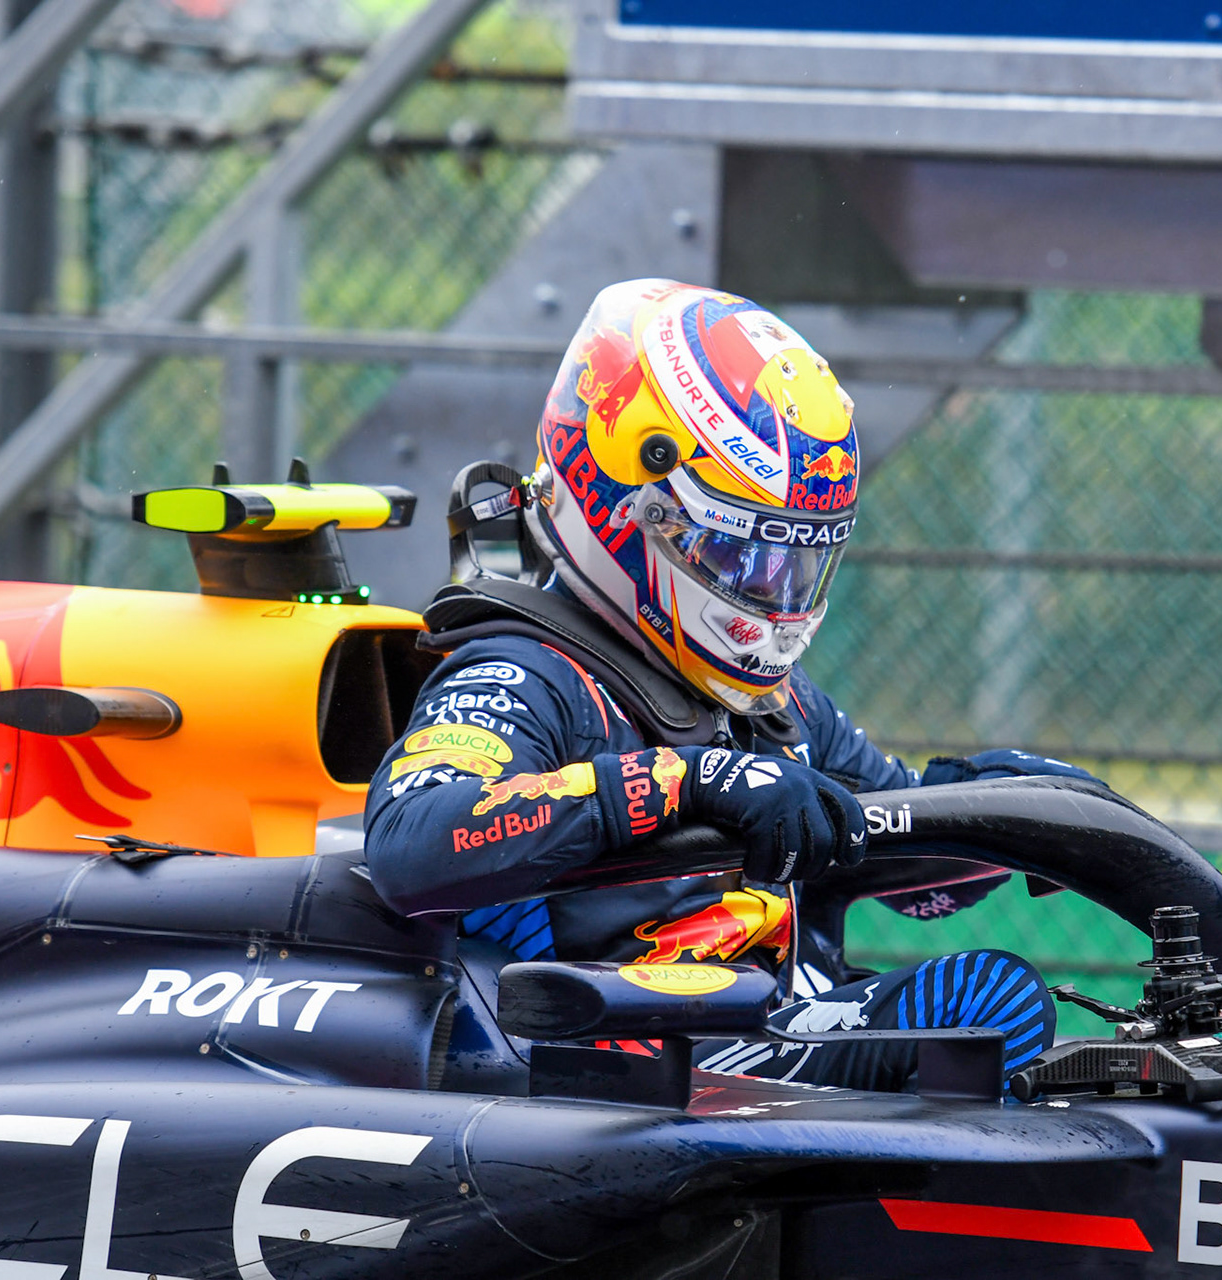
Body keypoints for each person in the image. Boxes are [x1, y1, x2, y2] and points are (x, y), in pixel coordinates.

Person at [363, 279, 1099, 1091]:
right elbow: (409, 843)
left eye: (798, 562)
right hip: (630, 1065)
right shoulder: (525, 675)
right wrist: (688, 781)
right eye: (741, 553)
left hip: (764, 1043)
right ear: (624, 504)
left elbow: (897, 855)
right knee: (986, 1003)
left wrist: (1005, 818)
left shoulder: (781, 705)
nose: (773, 594)